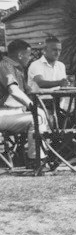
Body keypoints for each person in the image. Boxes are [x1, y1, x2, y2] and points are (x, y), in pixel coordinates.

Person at [0, 40, 47, 168]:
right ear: (20, 55)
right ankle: (36, 160)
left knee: (44, 114)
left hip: (13, 113)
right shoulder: (4, 66)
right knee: (37, 117)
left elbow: (29, 91)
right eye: (29, 54)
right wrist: (32, 106)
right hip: (4, 113)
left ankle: (43, 154)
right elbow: (14, 91)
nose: (30, 57)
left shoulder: (17, 69)